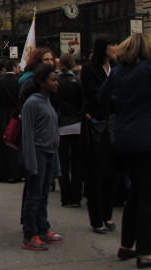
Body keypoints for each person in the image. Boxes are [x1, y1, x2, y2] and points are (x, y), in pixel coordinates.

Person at [100, 33, 151, 267]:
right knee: (149, 197)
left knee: (134, 194)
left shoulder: (118, 73)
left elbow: (102, 97)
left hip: (126, 140)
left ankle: (127, 245)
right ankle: (145, 253)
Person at [20, 64, 62, 251]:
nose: (56, 83)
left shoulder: (47, 101)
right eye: (52, 80)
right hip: (37, 153)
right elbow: (27, 134)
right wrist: (31, 161)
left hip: (49, 152)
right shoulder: (32, 103)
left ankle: (43, 228)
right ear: (42, 82)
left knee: (43, 194)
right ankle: (30, 234)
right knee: (34, 196)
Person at [80, 36, 118, 234]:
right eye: (113, 44)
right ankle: (96, 219)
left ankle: (108, 214)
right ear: (104, 48)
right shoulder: (89, 70)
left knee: (111, 173)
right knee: (96, 173)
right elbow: (93, 96)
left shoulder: (116, 68)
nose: (116, 47)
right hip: (96, 126)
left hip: (113, 125)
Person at [56, 53, 84, 208]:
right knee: (77, 163)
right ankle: (76, 197)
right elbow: (82, 102)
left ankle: (65, 197)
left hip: (61, 125)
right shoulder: (77, 82)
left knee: (63, 163)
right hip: (76, 124)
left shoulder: (56, 82)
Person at [0, 59, 23, 183]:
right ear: (14, 68)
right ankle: (16, 173)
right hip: (15, 116)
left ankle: (3, 173)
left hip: (1, 116)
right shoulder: (19, 83)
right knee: (15, 143)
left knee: (3, 144)